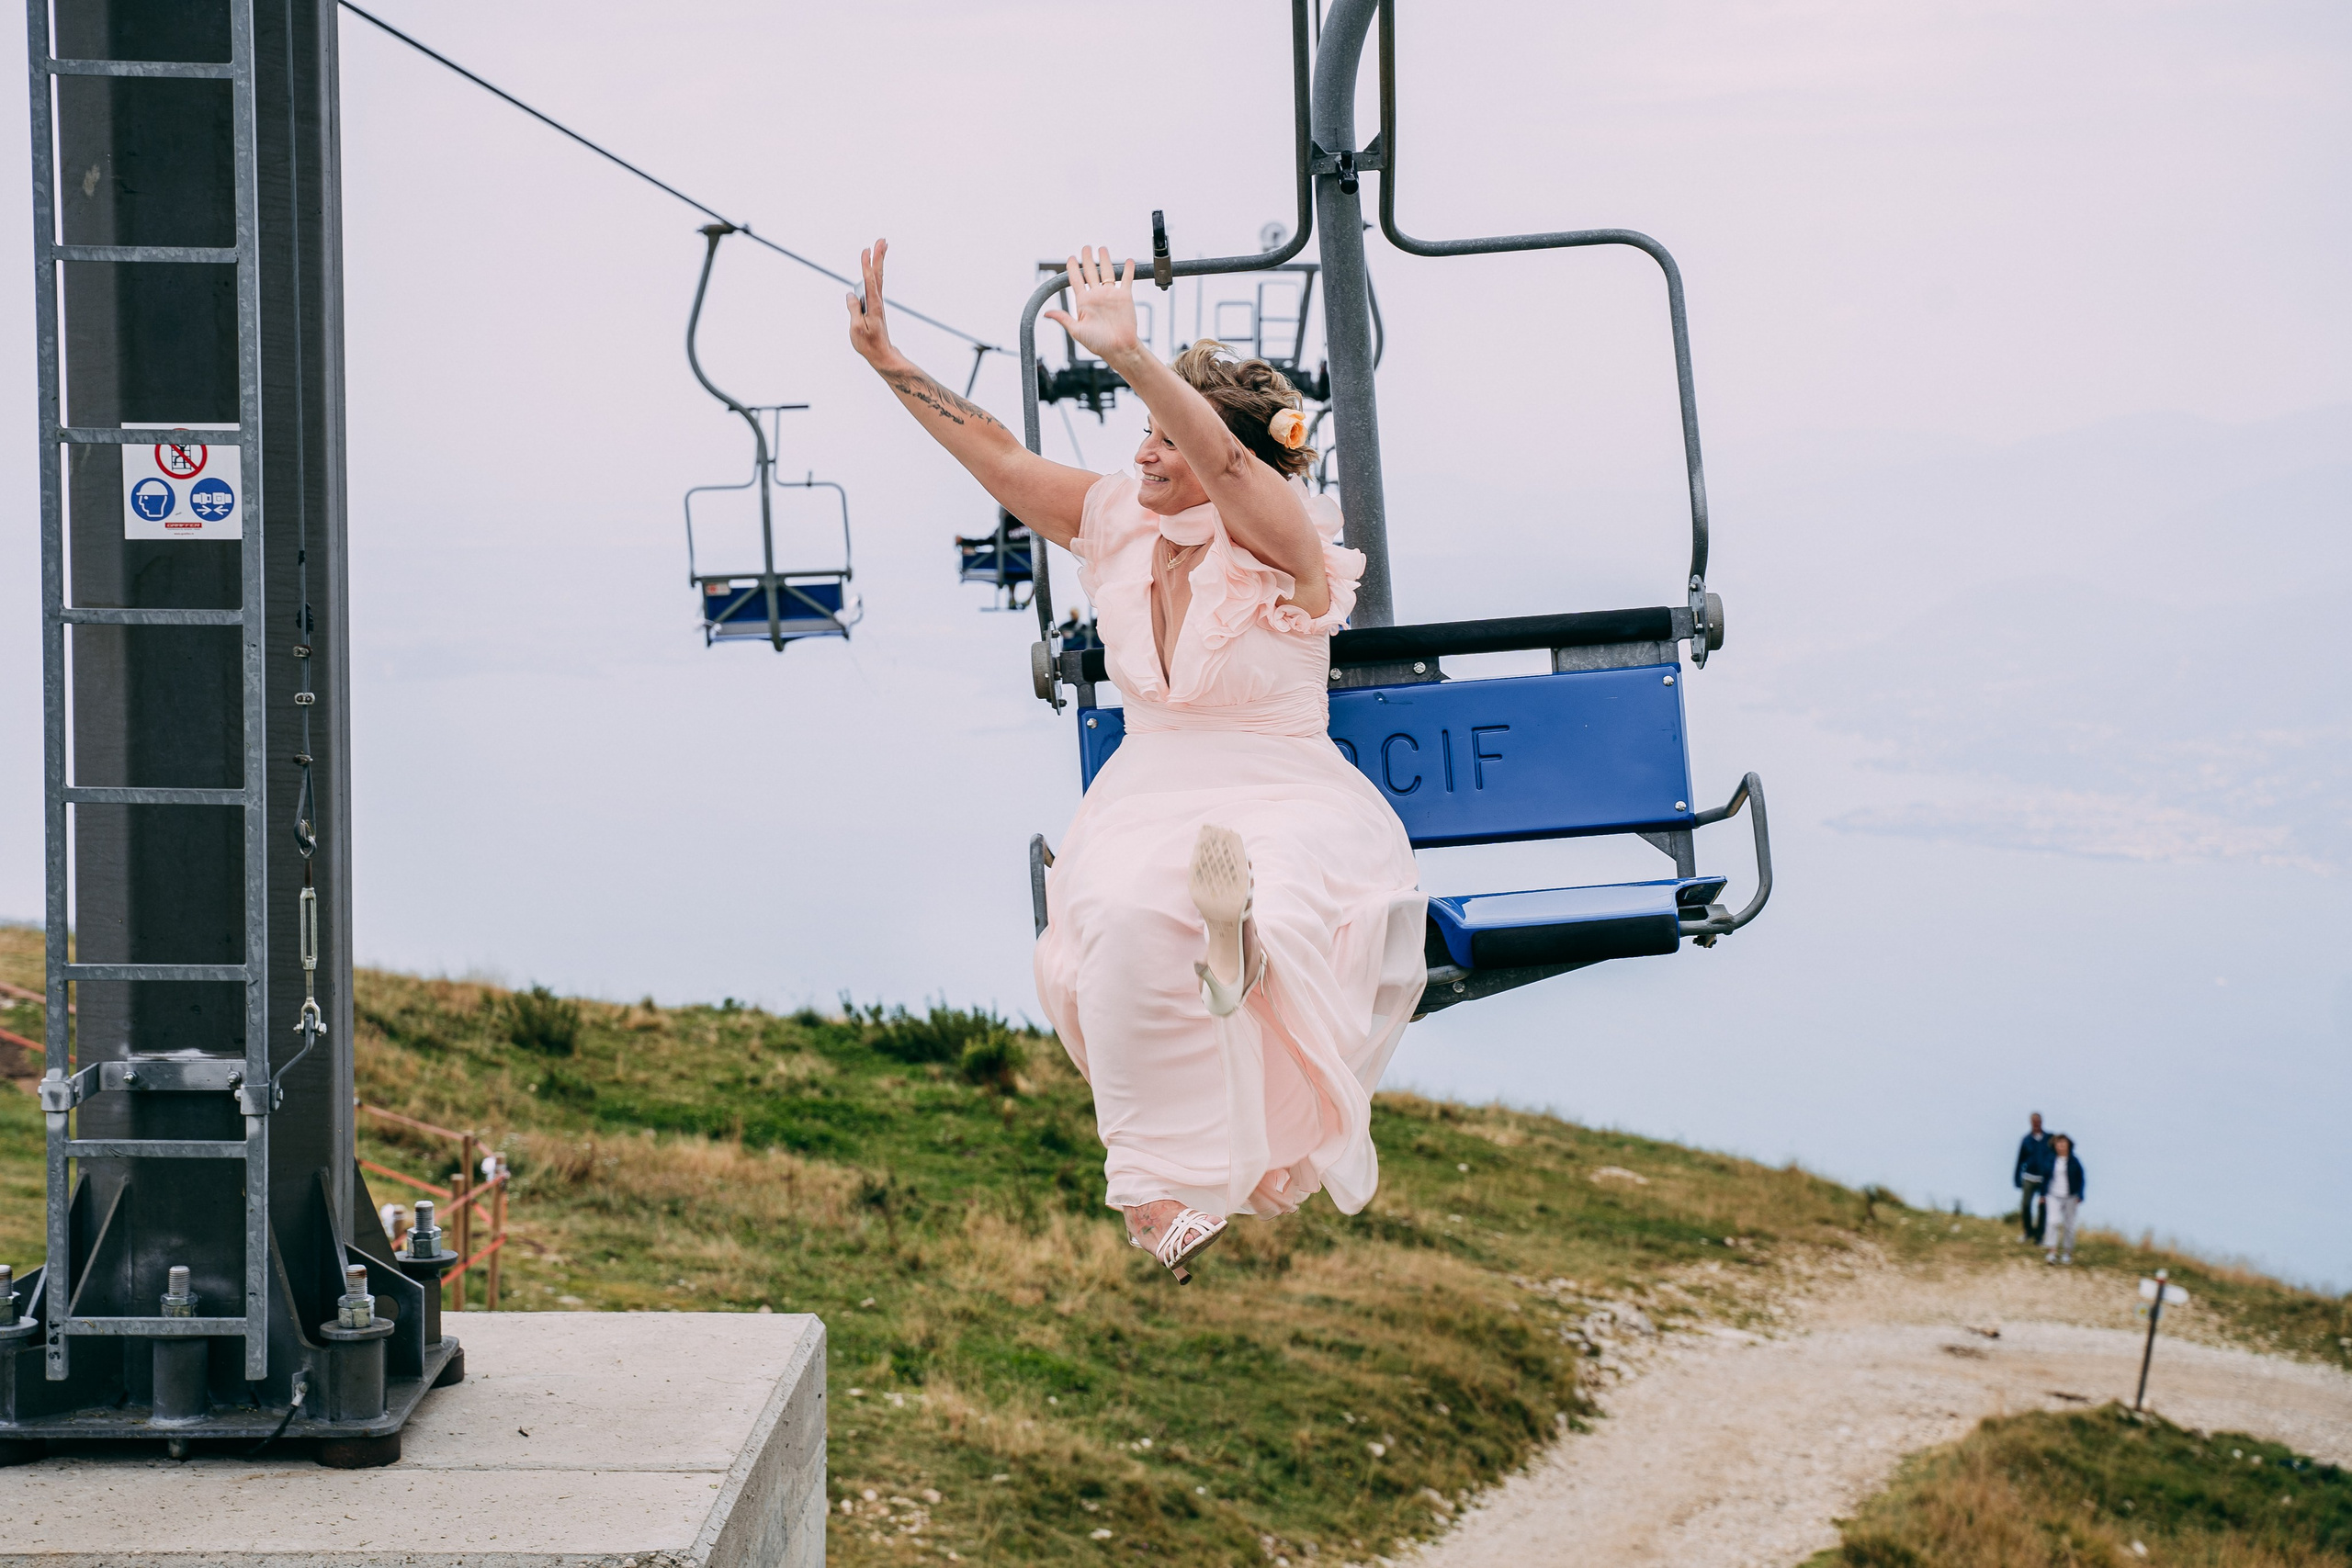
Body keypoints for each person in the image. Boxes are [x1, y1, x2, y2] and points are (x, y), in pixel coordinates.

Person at [849, 243, 1425, 1283]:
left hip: (1280, 783)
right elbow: (995, 456)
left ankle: (1242, 951)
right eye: (1143, 438)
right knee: (1111, 921)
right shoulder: (1115, 522)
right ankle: (1155, 1182)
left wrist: (1133, 355)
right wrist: (890, 360)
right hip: (1151, 785)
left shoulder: (1283, 545)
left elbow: (1235, 470)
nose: (1145, 457)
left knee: (1290, 904)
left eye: (1167, 442)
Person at [2042, 1134, 2085, 1265]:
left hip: (2070, 1196)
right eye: (2058, 1144)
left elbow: (2081, 1179)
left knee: (2069, 1225)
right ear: (2054, 1146)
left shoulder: (2074, 1161)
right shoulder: (2050, 1160)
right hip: (2053, 1195)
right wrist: (2042, 1195)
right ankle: (2052, 1253)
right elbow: (2044, 1178)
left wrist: (2080, 1195)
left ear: (2068, 1145)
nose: (2061, 1146)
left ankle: (2067, 1253)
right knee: (2052, 1222)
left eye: (2063, 1144)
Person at [2013, 1111, 2052, 1243]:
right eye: (2033, 1122)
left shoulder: (2049, 1139)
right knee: (2025, 1205)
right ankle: (2028, 1231)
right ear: (2030, 1123)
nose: (2036, 1124)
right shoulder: (2026, 1140)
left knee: (2042, 1208)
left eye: (2038, 1121)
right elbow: (2019, 1160)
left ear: (2041, 1122)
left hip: (2043, 1179)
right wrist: (2016, 1178)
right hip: (2029, 1177)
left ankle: (2039, 1236)